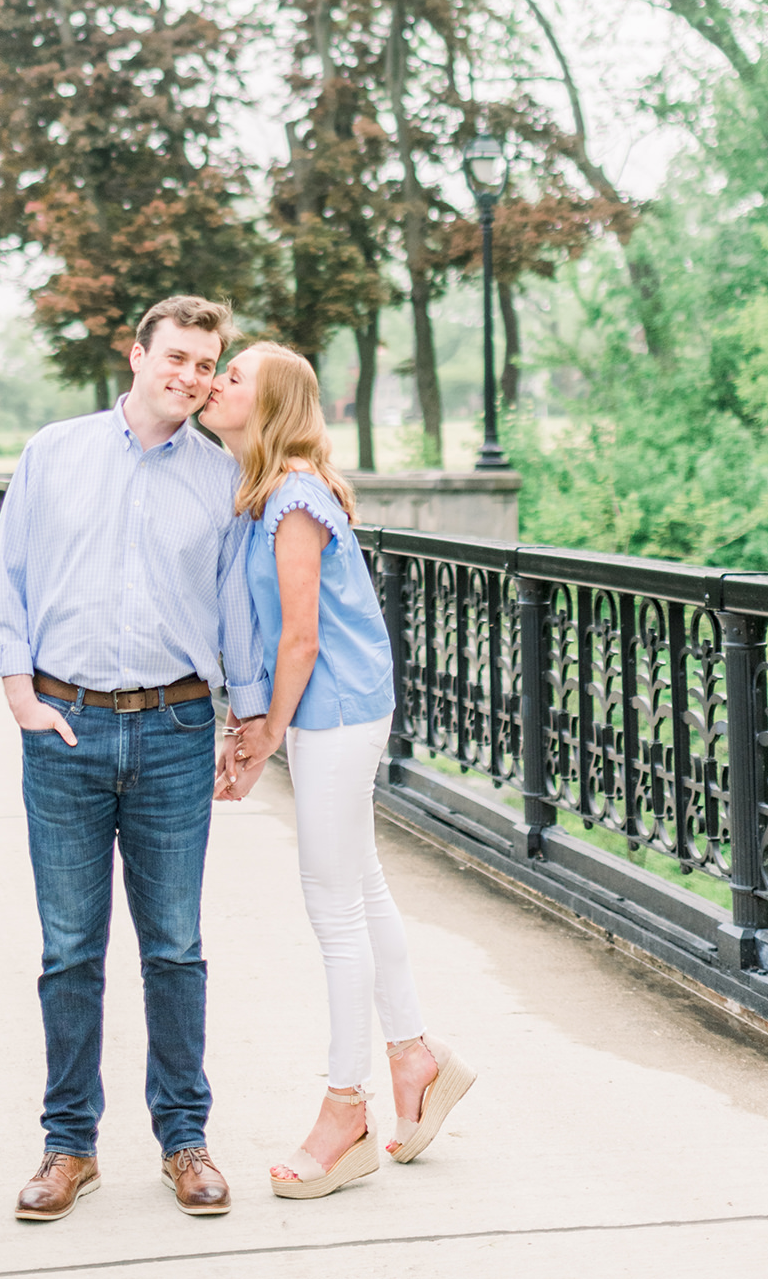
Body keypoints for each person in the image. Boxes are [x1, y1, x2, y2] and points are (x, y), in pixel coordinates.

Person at [0, 296, 271, 1225]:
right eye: (177, 358)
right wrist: (21, 696)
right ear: (137, 354)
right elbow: (8, 573)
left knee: (175, 949)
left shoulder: (221, 477)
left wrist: (249, 723)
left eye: (206, 365)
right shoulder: (54, 453)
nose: (190, 378)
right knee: (70, 950)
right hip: (65, 728)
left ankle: (184, 1140)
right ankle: (69, 1147)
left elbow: (236, 609)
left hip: (177, 732)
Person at [203, 343, 475, 1199]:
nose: (217, 384)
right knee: (360, 890)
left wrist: (264, 736)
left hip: (337, 714)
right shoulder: (266, 491)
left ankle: (345, 1109)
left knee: (334, 911)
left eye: (234, 376)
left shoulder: (291, 500)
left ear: (273, 403)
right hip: (335, 711)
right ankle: (417, 1060)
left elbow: (300, 637)